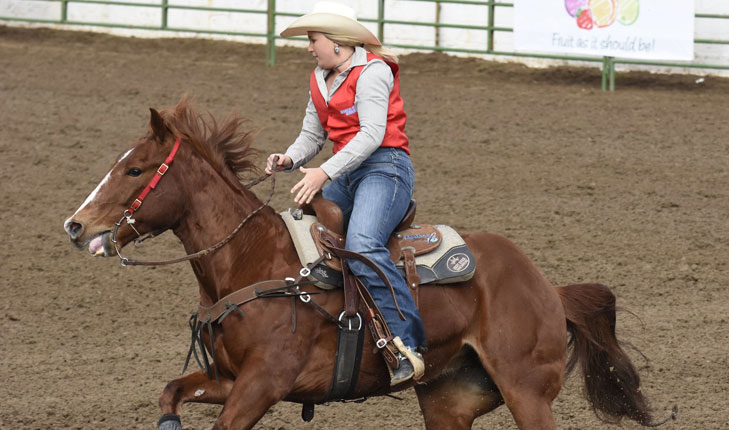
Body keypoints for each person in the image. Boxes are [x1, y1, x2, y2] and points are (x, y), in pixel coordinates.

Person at [265, 1, 425, 385]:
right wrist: (289, 158)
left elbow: (372, 135)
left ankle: (409, 343)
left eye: (313, 39)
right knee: (299, 227)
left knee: (364, 243)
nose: (309, 47)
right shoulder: (320, 78)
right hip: (348, 172)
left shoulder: (373, 72)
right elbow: (312, 135)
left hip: (386, 168)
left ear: (337, 42)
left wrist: (323, 172)